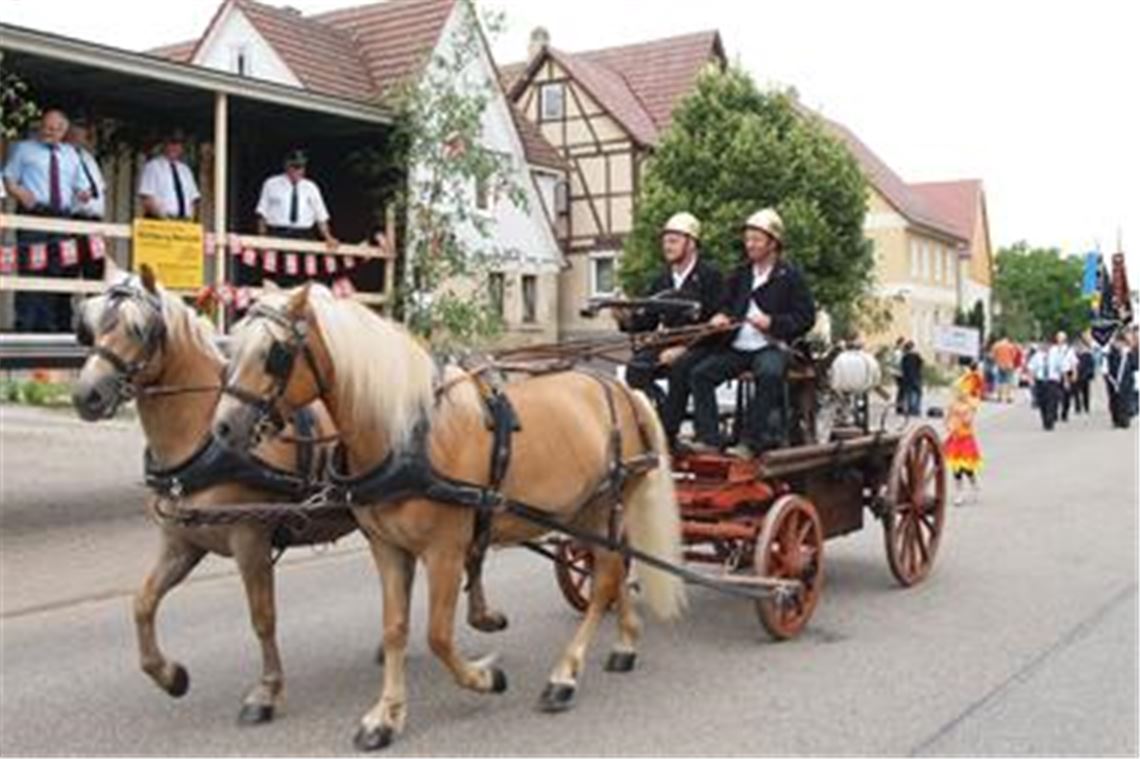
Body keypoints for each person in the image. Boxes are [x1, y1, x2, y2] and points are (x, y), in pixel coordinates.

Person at [681, 208, 815, 458]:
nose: (749, 244)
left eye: (756, 239)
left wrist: (773, 322)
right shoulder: (740, 274)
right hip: (740, 346)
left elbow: (806, 317)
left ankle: (751, 442)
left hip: (773, 346)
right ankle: (709, 439)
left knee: (768, 372)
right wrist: (721, 316)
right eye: (748, 238)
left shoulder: (791, 276)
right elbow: (727, 304)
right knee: (701, 374)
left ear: (773, 243)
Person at [614, 212, 723, 433]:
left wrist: (683, 349)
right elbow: (648, 320)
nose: (667, 246)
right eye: (665, 241)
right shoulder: (661, 279)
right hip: (669, 342)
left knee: (681, 367)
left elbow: (717, 325)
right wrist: (625, 318)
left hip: (703, 345)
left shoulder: (710, 276)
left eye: (673, 240)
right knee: (636, 368)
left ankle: (670, 431)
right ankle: (660, 415)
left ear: (691, 243)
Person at [3, 108, 92, 332]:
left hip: (61, 218)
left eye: (55, 129)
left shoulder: (71, 154)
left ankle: (47, 327)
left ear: (64, 131)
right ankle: (25, 326)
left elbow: (82, 185)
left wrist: (83, 193)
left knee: (56, 270)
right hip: (34, 215)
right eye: (46, 127)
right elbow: (8, 178)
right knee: (32, 268)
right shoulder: (24, 149)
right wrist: (20, 192)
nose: (49, 132)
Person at [65, 117, 107, 280]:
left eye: (82, 131)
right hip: (73, 219)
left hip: (94, 222)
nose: (79, 134)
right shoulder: (63, 155)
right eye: (75, 130)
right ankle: (64, 305)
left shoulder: (88, 158)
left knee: (95, 268)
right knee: (69, 267)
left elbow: (100, 189)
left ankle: (93, 305)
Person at [138, 130, 200, 220]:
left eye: (178, 144)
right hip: (160, 221)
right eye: (172, 143)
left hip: (184, 223)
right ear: (165, 144)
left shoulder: (186, 171)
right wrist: (164, 218)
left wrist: (190, 219)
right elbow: (147, 198)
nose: (175, 147)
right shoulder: (153, 167)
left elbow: (193, 200)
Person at [944, 366, 983, 506]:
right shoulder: (953, 404)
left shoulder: (971, 405)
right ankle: (959, 492)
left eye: (963, 391)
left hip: (966, 438)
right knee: (956, 469)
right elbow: (947, 418)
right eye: (958, 391)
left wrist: (969, 412)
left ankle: (974, 484)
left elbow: (969, 420)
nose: (960, 393)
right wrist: (948, 425)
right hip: (955, 438)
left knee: (967, 468)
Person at [1105, 331, 1137, 429]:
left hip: (1127, 381)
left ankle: (1125, 420)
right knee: (1114, 401)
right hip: (1113, 381)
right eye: (1117, 342)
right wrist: (1112, 380)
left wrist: (1131, 354)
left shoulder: (1129, 353)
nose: (1119, 345)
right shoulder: (1111, 353)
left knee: (1125, 401)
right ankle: (1116, 420)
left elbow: (1135, 366)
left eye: (1121, 342)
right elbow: (1109, 368)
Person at [990, 335, 1019, 403]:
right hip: (1009, 365)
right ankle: (1009, 397)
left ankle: (999, 396)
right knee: (1009, 381)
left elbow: (992, 356)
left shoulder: (996, 345)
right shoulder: (1011, 346)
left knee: (1000, 381)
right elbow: (1014, 355)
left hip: (999, 365)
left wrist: (997, 360)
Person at [900, 341, 924, 417]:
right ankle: (916, 409)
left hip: (907, 379)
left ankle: (911, 409)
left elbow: (903, 368)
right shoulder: (917, 356)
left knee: (910, 394)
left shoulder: (905, 357)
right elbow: (921, 364)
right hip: (916, 377)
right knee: (918, 394)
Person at [1073, 340, 1095, 414]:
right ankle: (1078, 407)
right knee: (1076, 393)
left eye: (1081, 346)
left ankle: (1086, 407)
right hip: (1076, 376)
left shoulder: (1088, 355)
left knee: (1085, 393)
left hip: (1085, 377)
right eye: (1078, 346)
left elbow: (1091, 366)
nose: (1079, 348)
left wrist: (1089, 374)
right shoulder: (1075, 355)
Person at [887, 337, 906, 414]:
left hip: (896, 372)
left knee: (901, 390)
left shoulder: (895, 351)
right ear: (900, 343)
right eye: (903, 343)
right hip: (899, 373)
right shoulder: (898, 352)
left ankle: (900, 406)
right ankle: (899, 407)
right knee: (902, 390)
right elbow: (898, 363)